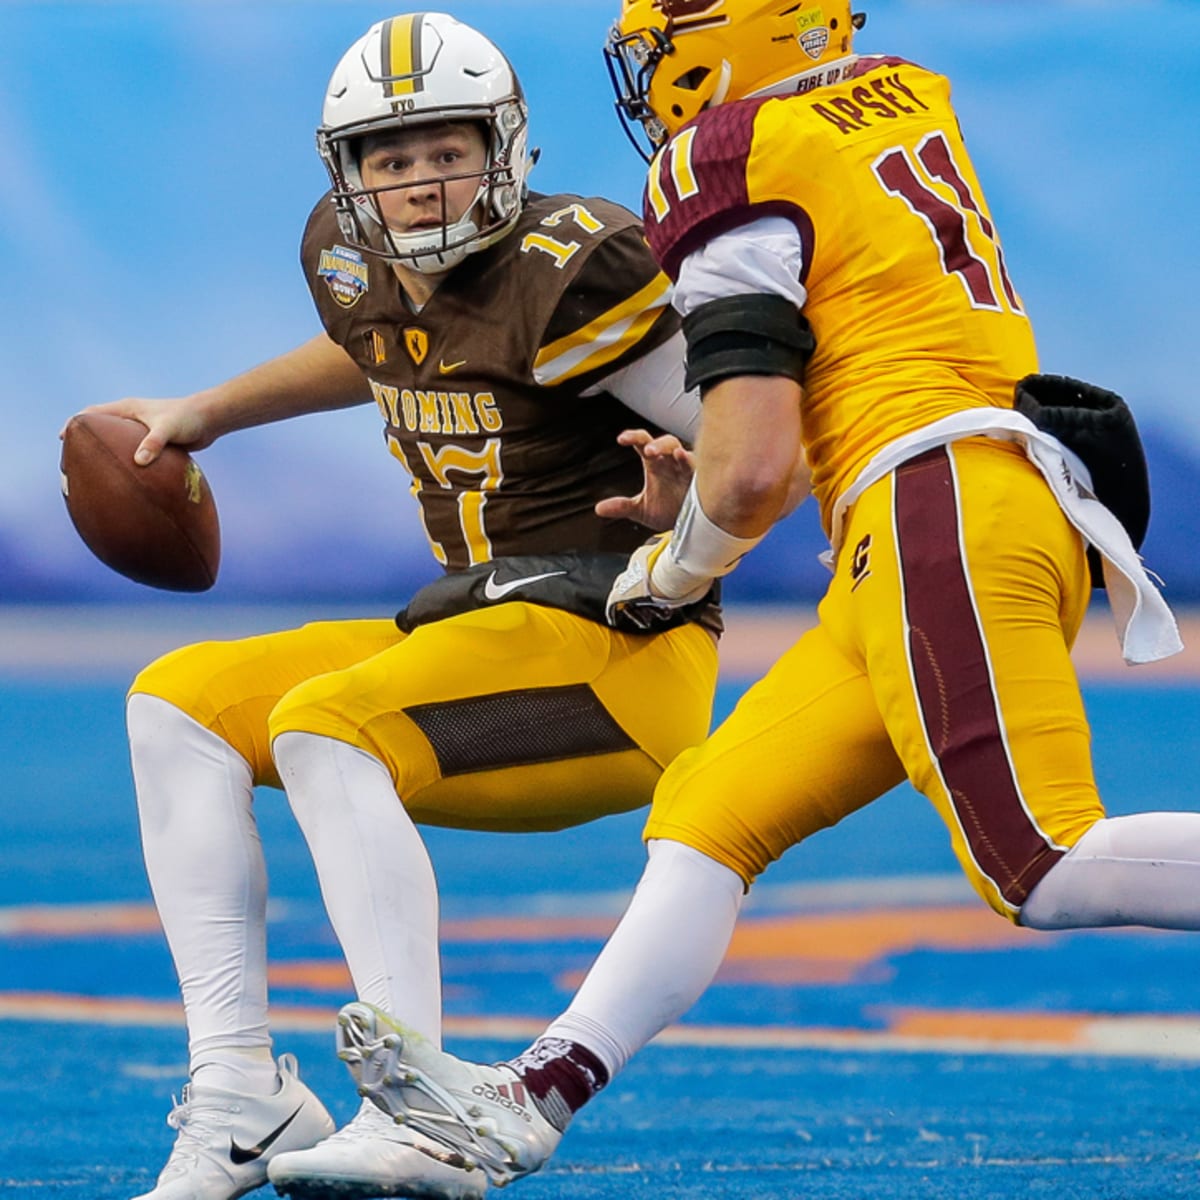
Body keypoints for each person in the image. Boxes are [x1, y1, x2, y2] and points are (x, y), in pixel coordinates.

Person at [328, 0, 1200, 1191]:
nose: (654, 75)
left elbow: (747, 470)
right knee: (711, 813)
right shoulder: (898, 88)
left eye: (664, 39)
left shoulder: (724, 154)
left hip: (933, 497)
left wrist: (670, 568)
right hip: (937, 508)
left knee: (1039, 863)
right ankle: (527, 1103)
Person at [79, 12, 729, 1200]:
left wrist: (683, 519)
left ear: (505, 147)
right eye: (391, 159)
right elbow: (387, 344)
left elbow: (755, 455)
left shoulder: (577, 270)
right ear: (348, 175)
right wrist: (211, 409)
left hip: (620, 646)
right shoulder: (348, 255)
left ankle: (421, 1110)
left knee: (328, 721)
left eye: (446, 150)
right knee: (174, 702)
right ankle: (241, 1094)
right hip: (471, 622)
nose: (421, 183)